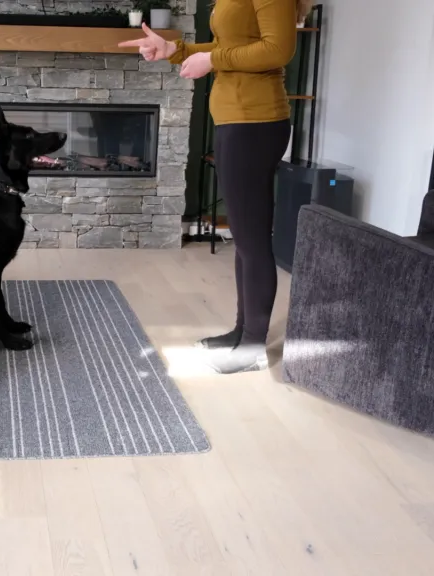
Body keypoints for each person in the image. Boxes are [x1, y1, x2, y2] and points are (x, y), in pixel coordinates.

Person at [120, 0, 311, 374]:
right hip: (235, 121)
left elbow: (278, 49)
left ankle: (253, 347)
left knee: (252, 239)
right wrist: (179, 52)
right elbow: (233, 44)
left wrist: (212, 60)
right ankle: (242, 331)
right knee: (243, 236)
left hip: (255, 122)